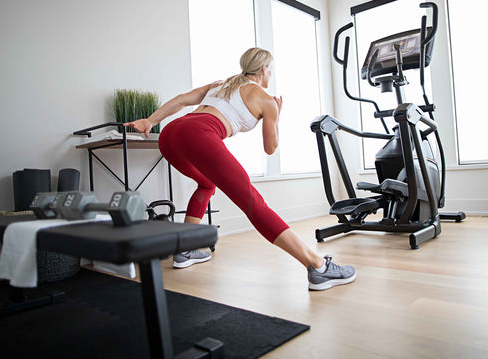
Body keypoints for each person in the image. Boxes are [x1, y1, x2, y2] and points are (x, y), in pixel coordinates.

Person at [124, 47, 356, 291]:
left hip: (170, 135)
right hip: (198, 134)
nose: (271, 74)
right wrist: (277, 117)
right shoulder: (267, 101)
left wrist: (150, 121)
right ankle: (318, 267)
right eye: (272, 69)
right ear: (265, 69)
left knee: (206, 183)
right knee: (253, 203)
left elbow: (183, 99)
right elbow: (270, 148)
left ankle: (186, 249)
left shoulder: (221, 84)